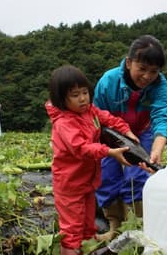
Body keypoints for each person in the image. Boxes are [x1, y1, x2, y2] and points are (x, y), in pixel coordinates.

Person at [45, 65, 140, 255]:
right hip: (70, 184)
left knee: (89, 226)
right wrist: (109, 151)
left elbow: (109, 119)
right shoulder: (64, 123)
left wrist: (127, 131)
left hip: (88, 181)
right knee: (71, 230)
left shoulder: (90, 111)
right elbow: (80, 148)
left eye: (84, 92)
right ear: (61, 99)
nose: (82, 98)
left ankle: (88, 250)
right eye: (74, 95)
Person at [93, 34, 167, 241]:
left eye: (154, 71)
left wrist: (157, 148)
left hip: (143, 131)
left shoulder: (160, 86)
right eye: (142, 69)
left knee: (138, 175)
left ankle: (138, 225)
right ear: (129, 63)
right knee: (107, 175)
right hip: (112, 133)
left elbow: (162, 118)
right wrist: (110, 150)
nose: (147, 76)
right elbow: (96, 119)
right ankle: (115, 227)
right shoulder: (108, 82)